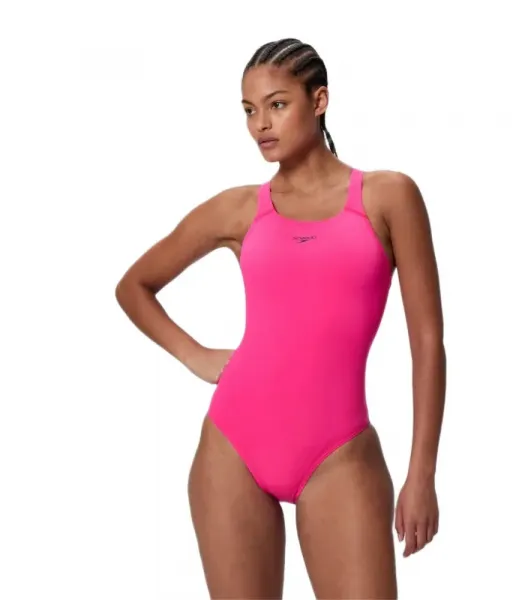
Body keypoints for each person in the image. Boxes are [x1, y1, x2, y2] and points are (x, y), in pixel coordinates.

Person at [116, 37, 446, 600]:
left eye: (277, 104)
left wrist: (423, 473)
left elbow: (428, 341)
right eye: (249, 110)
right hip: (233, 445)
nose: (260, 125)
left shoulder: (388, 196)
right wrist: (196, 356)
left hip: (340, 451)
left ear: (319, 100)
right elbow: (134, 286)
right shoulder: (240, 209)